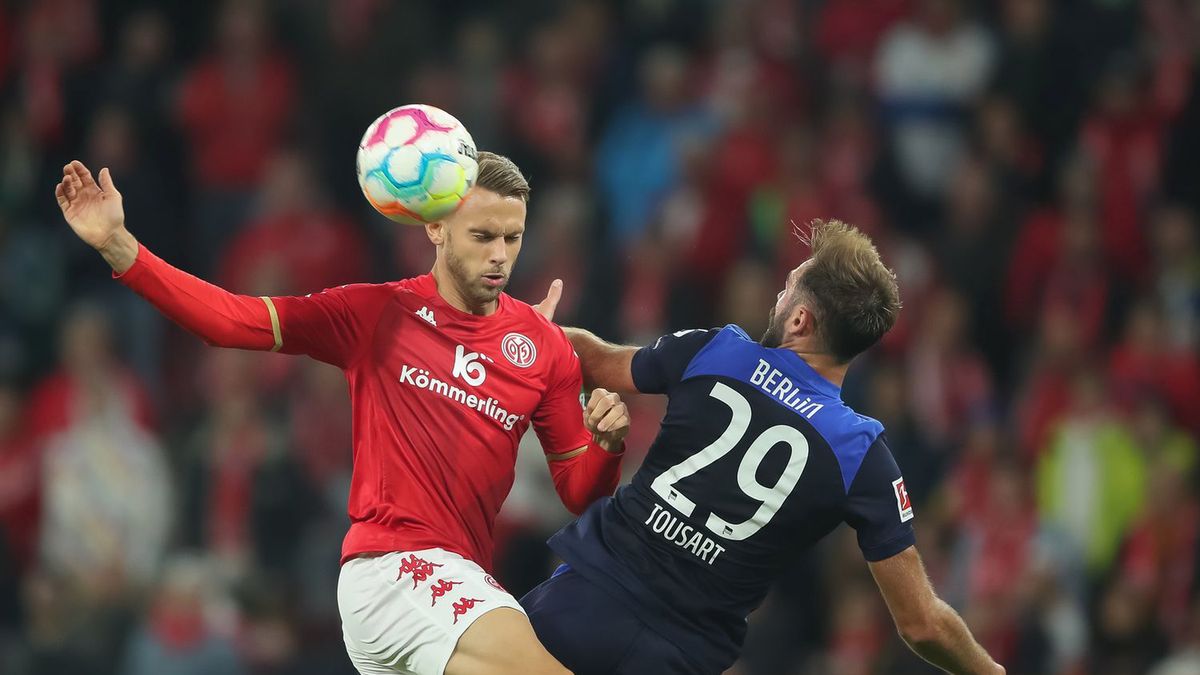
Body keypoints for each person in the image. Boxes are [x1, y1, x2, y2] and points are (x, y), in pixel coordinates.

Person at [54, 155, 630, 675]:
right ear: (435, 227)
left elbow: (580, 491)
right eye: (482, 236)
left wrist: (606, 445)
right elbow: (230, 320)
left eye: (513, 237)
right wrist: (119, 246)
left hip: (450, 584)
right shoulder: (378, 313)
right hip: (393, 568)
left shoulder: (544, 347)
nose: (500, 255)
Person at [524, 220, 1004, 674]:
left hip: (587, 598)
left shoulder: (720, 352)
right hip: (679, 655)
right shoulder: (862, 455)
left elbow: (592, 359)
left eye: (786, 289)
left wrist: (512, 330)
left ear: (799, 319)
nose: (777, 297)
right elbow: (922, 624)